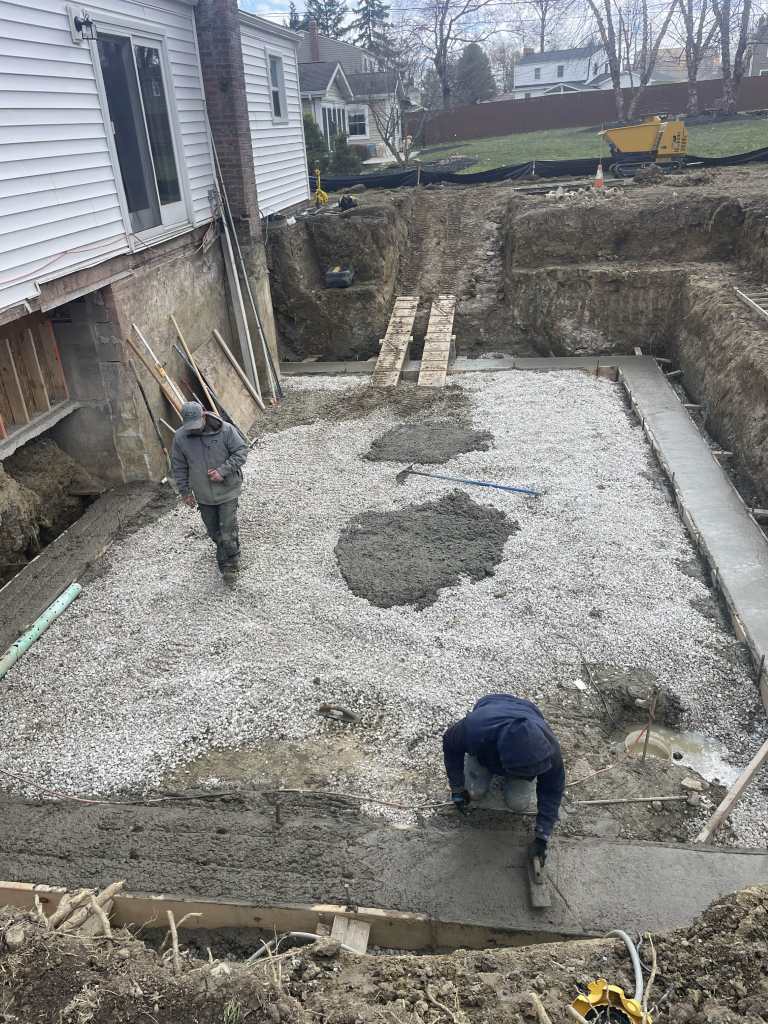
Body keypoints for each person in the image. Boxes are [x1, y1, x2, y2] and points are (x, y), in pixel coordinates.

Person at [442, 694, 565, 864]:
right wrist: (456, 787)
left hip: (529, 714)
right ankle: (483, 762)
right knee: (474, 793)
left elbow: (552, 789)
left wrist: (542, 836)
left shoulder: (549, 749)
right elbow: (450, 744)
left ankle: (523, 770)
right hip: (489, 714)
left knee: (518, 804)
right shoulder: (475, 730)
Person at [171, 401, 248, 578]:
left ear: (204, 416)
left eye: (197, 424)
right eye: (190, 427)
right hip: (203, 495)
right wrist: (185, 492)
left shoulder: (226, 430)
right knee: (214, 531)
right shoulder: (180, 438)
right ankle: (225, 554)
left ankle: (230, 563)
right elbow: (178, 467)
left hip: (228, 490)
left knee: (227, 529)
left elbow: (241, 451)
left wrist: (222, 471)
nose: (194, 429)